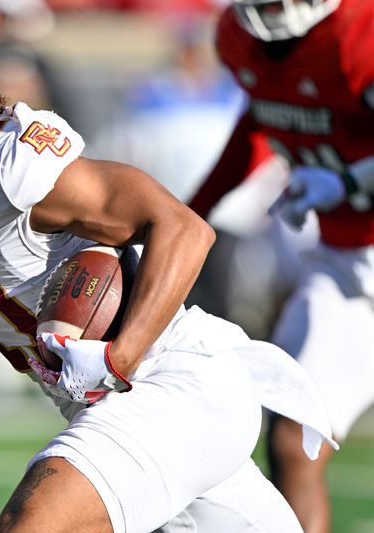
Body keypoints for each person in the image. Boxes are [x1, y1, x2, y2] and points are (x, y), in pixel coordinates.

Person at [0, 1, 337, 531]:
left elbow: (183, 227)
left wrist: (118, 358)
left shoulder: (6, 166)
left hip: (174, 380)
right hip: (109, 412)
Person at [187, 1, 374, 531]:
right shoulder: (238, 35)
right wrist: (185, 214)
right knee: (297, 437)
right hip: (346, 262)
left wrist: (350, 180)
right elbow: (259, 118)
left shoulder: (359, 32)